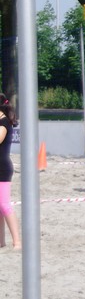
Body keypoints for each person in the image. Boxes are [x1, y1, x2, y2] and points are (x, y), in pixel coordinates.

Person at [0, 93, 21, 251]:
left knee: (4, 205)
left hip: (2, 168)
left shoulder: (4, 122)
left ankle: (17, 242)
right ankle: (1, 241)